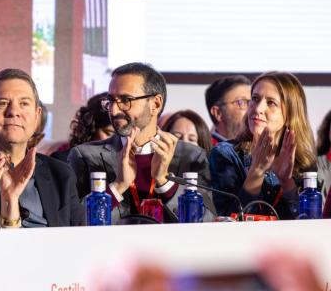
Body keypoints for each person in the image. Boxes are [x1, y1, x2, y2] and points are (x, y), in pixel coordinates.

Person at [67, 62, 214, 223]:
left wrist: (164, 182)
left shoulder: (191, 156)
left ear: (155, 104)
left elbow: (207, 222)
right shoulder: (85, 156)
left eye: (125, 100)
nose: (114, 111)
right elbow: (73, 222)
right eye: (110, 101)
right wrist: (118, 186)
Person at [0, 68, 84, 227]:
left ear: (37, 115)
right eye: (3, 103)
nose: (14, 111)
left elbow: (81, 237)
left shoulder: (61, 174)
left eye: (24, 104)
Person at [210, 72, 317, 219]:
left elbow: (309, 225)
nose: (258, 108)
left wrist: (287, 183)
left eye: (271, 103)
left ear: (291, 113)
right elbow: (227, 222)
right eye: (255, 99)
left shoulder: (305, 163)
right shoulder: (226, 154)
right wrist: (256, 173)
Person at [51, 92, 114, 162]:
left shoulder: (123, 165)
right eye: (109, 134)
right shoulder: (61, 162)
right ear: (91, 129)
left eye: (122, 136)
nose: (116, 140)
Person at [205, 75, 251, 145]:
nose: (252, 109)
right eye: (241, 102)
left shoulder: (260, 148)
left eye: (252, 101)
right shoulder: (206, 153)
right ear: (218, 113)